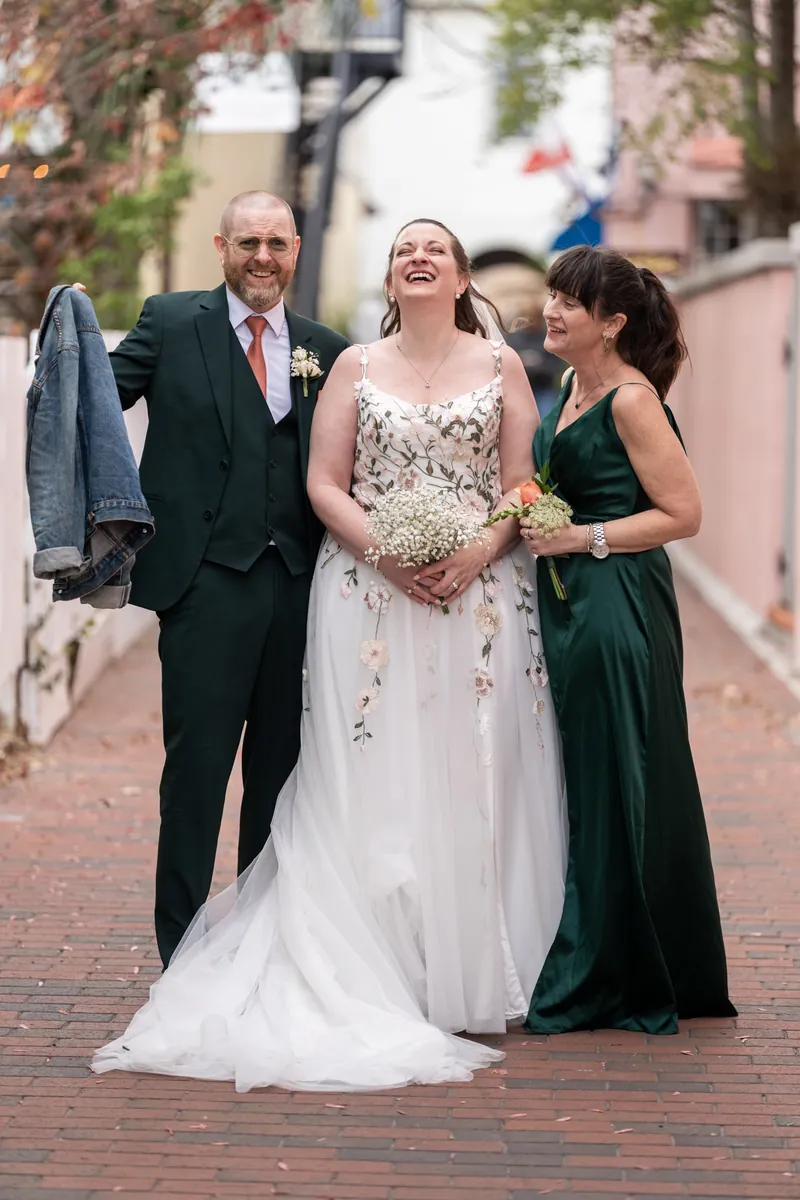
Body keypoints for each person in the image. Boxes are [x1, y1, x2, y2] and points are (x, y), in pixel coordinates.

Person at [92, 219, 568, 1091]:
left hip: (478, 600)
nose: (417, 260)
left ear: (462, 276)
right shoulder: (349, 364)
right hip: (363, 593)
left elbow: (523, 483)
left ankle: (468, 960)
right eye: (401, 252)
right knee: (355, 772)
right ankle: (303, 952)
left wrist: (473, 551)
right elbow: (325, 480)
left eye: (434, 251)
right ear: (389, 278)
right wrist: (389, 551)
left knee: (473, 767)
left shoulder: (489, 366)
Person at [104, 191, 349, 967]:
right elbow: (91, 405)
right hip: (203, 583)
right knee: (197, 774)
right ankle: (179, 949)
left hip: (301, 586)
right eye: (248, 242)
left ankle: (259, 944)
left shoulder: (328, 349)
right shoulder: (172, 323)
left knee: (281, 777)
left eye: (277, 243)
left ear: (297, 250)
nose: (262, 257)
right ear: (221, 246)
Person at [522, 244, 736, 1035]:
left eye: (569, 302)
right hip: (573, 601)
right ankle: (621, 956)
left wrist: (581, 539)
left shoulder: (632, 400)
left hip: (617, 604)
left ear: (610, 324)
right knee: (590, 772)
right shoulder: (577, 385)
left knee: (621, 775)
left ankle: (613, 974)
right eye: (552, 294)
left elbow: (683, 513)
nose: (551, 309)